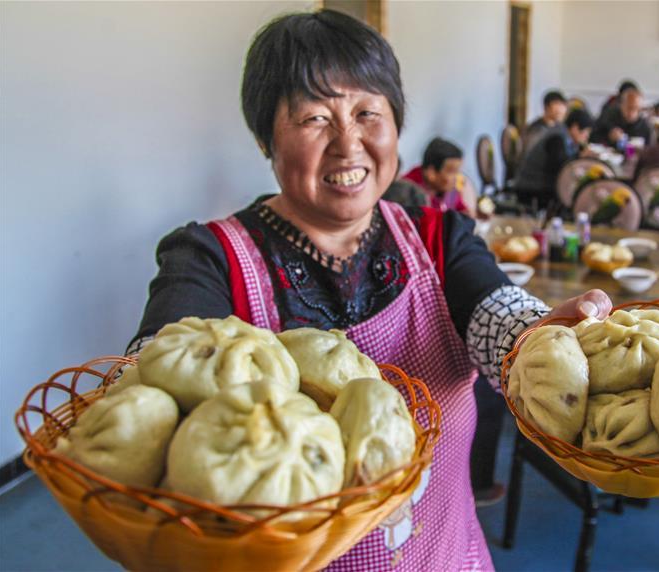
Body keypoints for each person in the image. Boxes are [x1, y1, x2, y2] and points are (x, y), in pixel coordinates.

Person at [127, 11, 612, 570]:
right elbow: (155, 375)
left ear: (396, 125)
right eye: (313, 117)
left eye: (367, 113)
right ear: (265, 136)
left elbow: (498, 315)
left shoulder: (437, 237)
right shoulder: (211, 260)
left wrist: (543, 337)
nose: (347, 143)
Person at [514, 108, 594, 210]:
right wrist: (580, 157)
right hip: (532, 188)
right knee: (573, 199)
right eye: (586, 132)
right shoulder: (557, 138)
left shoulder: (563, 133)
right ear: (574, 128)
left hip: (539, 184)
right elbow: (561, 167)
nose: (587, 137)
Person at [402, 137, 473, 215]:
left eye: (457, 171)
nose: (457, 177)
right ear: (431, 173)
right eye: (451, 171)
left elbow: (463, 211)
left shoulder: (450, 191)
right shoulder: (407, 193)